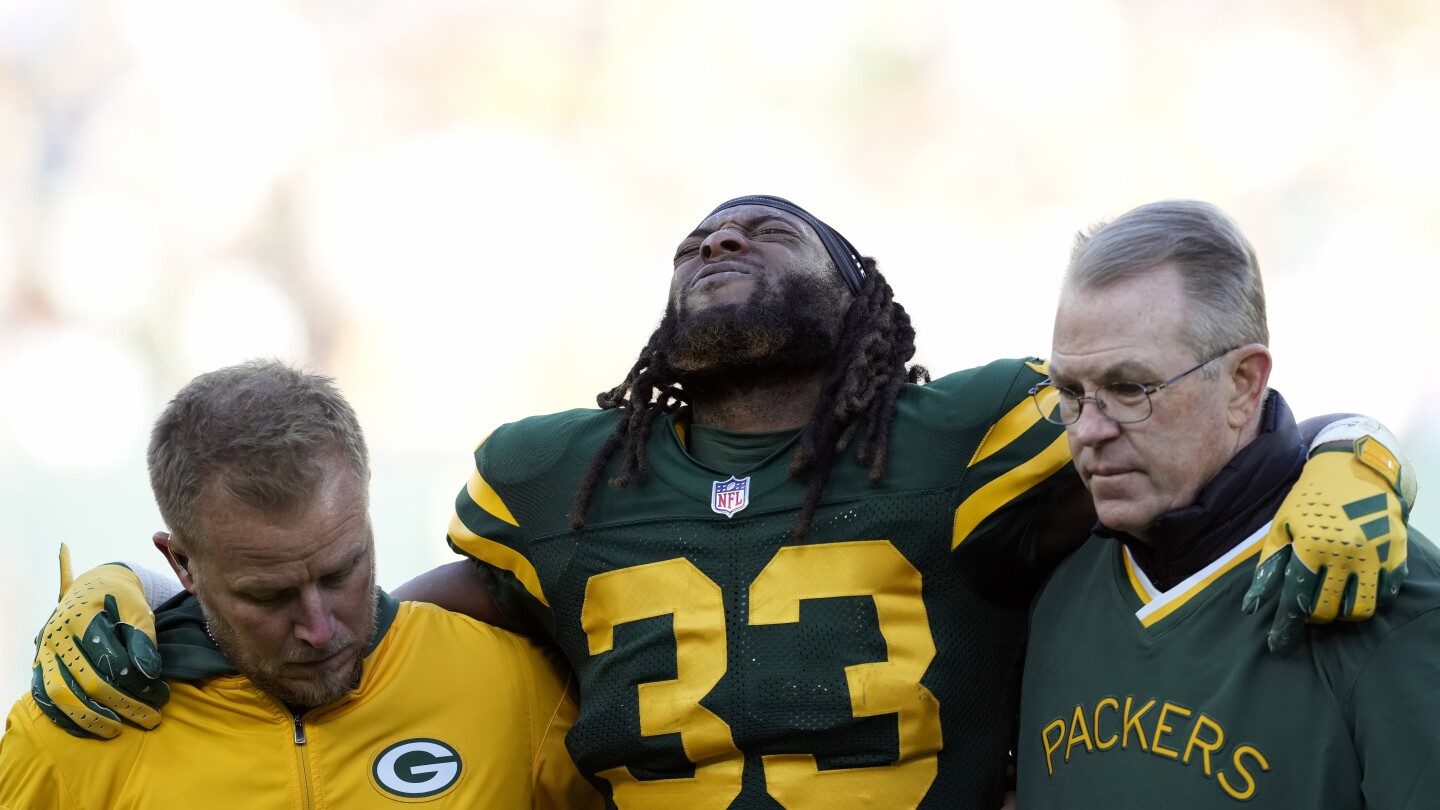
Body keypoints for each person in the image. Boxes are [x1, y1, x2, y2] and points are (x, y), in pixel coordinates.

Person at [30, 198, 1415, 809]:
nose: (721, 239)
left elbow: (1199, 449)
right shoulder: (558, 476)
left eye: (768, 227)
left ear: (859, 295)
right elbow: (358, 627)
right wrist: (156, 595)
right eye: (698, 238)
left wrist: (1352, 454)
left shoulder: (975, 430)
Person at [1, 360, 600, 809]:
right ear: (181, 564)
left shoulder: (517, 690)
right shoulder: (71, 737)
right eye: (268, 595)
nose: (319, 628)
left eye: (341, 572)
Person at [1015, 200, 1434, 808]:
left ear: (1243, 384)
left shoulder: (1388, 594)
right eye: (1070, 392)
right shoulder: (1053, 592)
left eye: (1130, 389)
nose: (1088, 429)